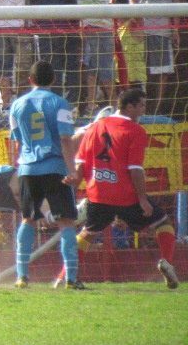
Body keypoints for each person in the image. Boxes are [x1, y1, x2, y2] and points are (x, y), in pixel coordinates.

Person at [72, 88, 179, 289]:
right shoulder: (136, 131)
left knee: (88, 232)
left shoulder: (95, 126)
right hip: (126, 196)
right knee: (163, 222)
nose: (143, 111)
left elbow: (81, 163)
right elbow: (135, 170)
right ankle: (167, 261)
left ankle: (66, 275)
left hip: (98, 193)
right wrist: (142, 199)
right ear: (129, 107)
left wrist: (78, 190)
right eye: (141, 106)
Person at [9, 60, 82, 289]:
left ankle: (22, 276)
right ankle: (71, 278)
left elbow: (17, 142)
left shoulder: (16, 105)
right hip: (55, 168)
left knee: (28, 219)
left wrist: (18, 168)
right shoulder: (61, 104)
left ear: (30, 80)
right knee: (66, 222)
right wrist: (72, 170)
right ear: (53, 80)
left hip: (27, 168)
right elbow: (65, 139)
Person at [129, 0, 182, 106]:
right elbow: (132, 0)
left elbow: (176, 3)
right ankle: (141, 105)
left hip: (162, 29)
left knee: (162, 71)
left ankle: (157, 107)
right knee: (141, 70)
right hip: (141, 29)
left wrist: (175, 29)